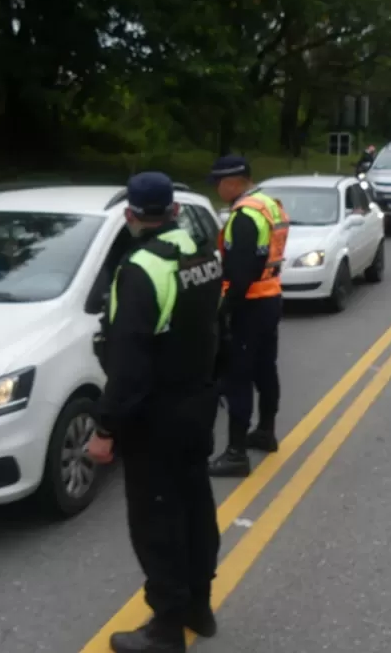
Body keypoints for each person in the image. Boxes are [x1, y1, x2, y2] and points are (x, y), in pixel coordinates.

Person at [86, 171, 228, 653]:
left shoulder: (141, 268)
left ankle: (166, 629)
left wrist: (105, 427)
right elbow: (216, 328)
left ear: (130, 216)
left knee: (156, 520)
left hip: (158, 416)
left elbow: (129, 364)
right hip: (198, 405)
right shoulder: (200, 251)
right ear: (171, 210)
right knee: (194, 507)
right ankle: (198, 606)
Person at [206, 154, 288, 479]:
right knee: (265, 368)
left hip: (249, 304)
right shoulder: (270, 204)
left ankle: (236, 453)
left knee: (238, 376)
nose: (216, 190)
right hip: (270, 298)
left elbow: (240, 274)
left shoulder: (244, 216)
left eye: (218, 183)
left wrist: (224, 311)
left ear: (234, 182)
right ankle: (266, 431)